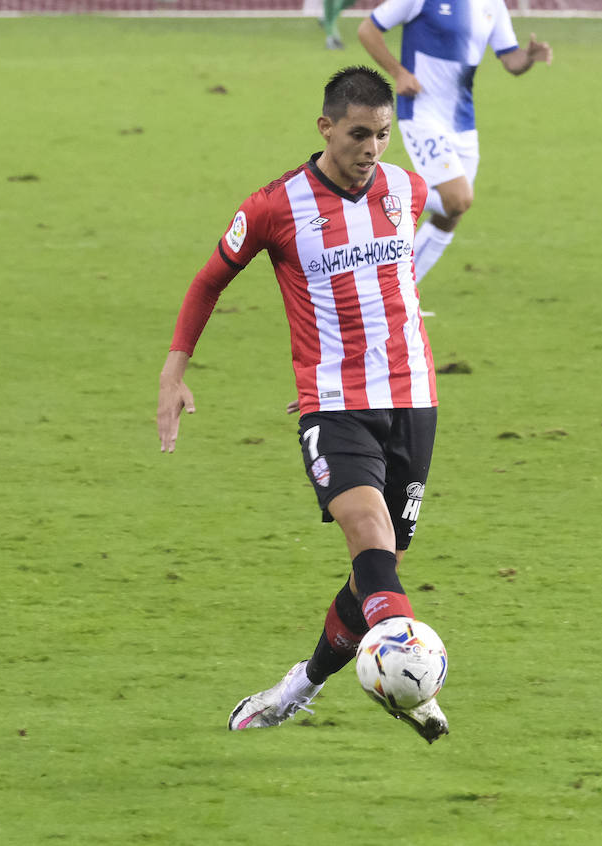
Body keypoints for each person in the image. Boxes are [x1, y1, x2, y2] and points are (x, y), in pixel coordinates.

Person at [156, 66, 449, 743]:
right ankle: (417, 683)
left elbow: (393, 286)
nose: (371, 149)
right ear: (325, 128)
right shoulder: (273, 206)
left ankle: (302, 685)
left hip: (414, 401)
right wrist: (175, 374)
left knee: (379, 569)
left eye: (382, 134)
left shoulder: (407, 189)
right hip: (334, 407)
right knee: (370, 539)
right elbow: (207, 283)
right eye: (357, 135)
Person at [357, 0, 551, 291]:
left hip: (462, 122)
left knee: (451, 214)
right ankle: (381, 194)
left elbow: (510, 58)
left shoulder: (493, 5)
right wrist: (398, 73)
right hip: (421, 113)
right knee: (458, 199)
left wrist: (528, 58)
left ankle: (400, 294)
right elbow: (367, 29)